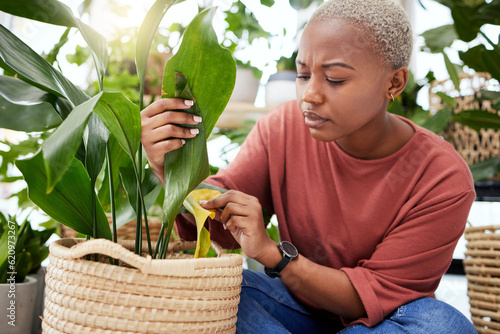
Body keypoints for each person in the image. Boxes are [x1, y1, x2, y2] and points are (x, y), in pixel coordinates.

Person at [140, 0, 477, 332]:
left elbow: (371, 296)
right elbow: (217, 217)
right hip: (292, 307)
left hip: (383, 322)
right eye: (303, 75)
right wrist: (168, 168)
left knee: (442, 325)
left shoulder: (441, 176)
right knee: (214, 290)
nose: (309, 95)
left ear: (394, 83)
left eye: (334, 79)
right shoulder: (283, 128)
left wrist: (275, 256)